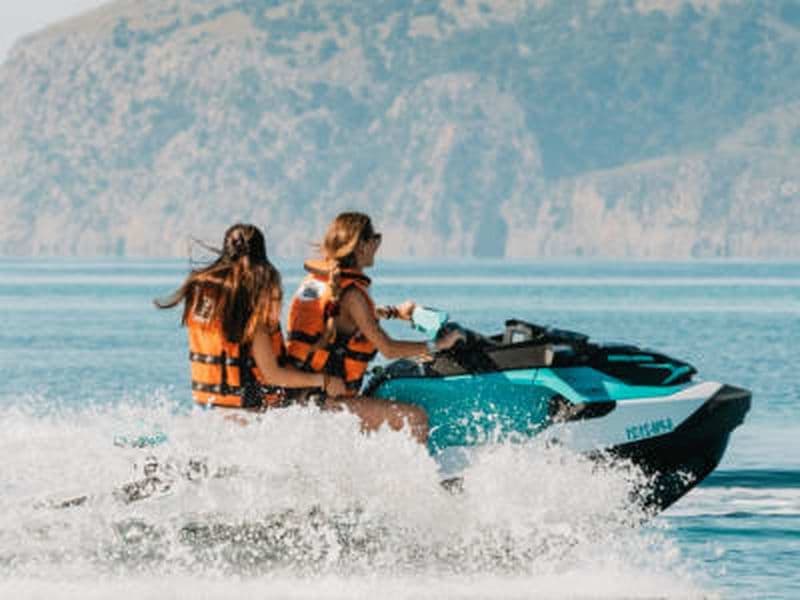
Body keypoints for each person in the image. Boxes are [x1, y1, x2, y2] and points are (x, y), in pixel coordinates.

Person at [286, 212, 464, 443]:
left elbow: (344, 319)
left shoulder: (316, 283)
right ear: (362, 246)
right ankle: (412, 469)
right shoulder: (353, 294)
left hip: (302, 395)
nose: (378, 245)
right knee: (415, 418)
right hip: (322, 400)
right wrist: (438, 344)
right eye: (375, 238)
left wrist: (393, 312)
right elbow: (388, 349)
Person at [154, 223, 346, 411]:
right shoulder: (251, 316)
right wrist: (325, 381)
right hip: (250, 414)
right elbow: (273, 375)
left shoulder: (202, 297)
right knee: (347, 405)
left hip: (210, 409)